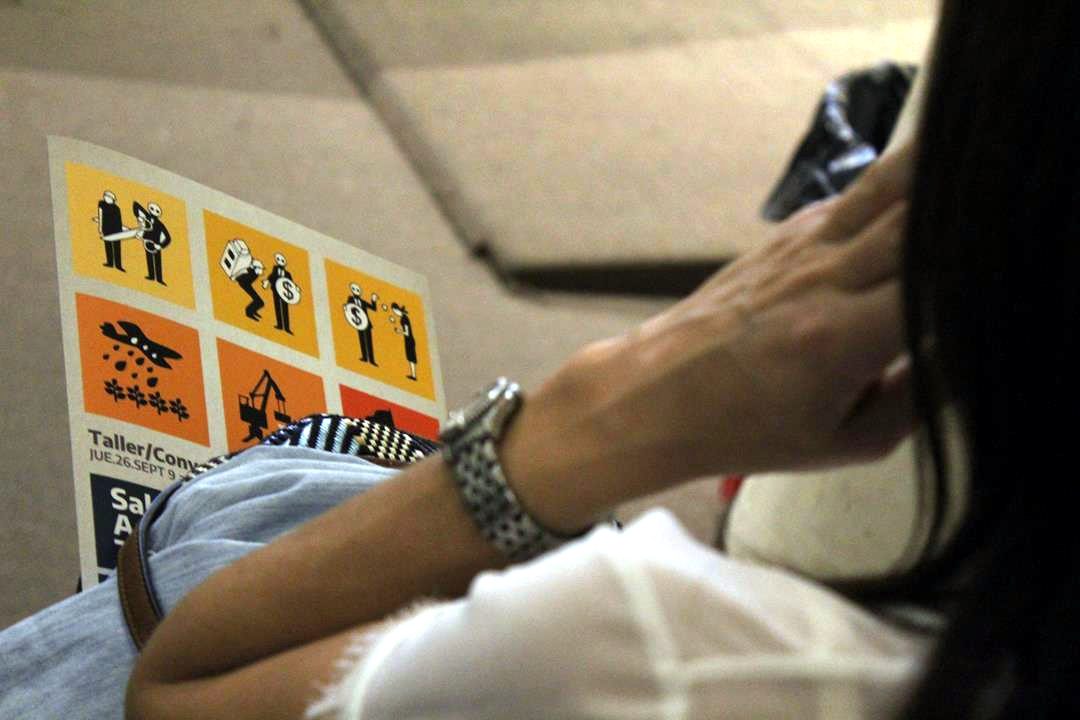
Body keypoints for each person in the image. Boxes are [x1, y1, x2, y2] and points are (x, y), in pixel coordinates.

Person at [134, 201, 171, 285]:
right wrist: (140, 235)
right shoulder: (145, 220)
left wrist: (161, 245)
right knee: (149, 259)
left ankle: (159, 279)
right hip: (147, 243)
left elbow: (168, 238)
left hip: (156, 245)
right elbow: (136, 205)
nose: (154, 211)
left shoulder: (160, 224)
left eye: (157, 211)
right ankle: (151, 276)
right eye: (152, 208)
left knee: (157, 261)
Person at [345, 282, 379, 365]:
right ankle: (364, 357)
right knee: (362, 340)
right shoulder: (350, 299)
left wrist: (373, 300)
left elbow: (373, 308)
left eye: (358, 290)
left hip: (367, 324)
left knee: (369, 342)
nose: (356, 291)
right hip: (359, 324)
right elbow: (348, 308)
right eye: (354, 289)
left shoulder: (363, 302)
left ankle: (371, 360)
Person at [96, 190, 127, 271]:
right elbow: (100, 216)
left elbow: (119, 221)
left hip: (116, 230)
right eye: (105, 196)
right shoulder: (102, 204)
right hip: (106, 229)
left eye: (109, 197)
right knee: (108, 245)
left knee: (117, 247)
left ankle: (118, 265)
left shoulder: (116, 208)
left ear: (113, 200)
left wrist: (120, 231)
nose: (106, 198)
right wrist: (100, 227)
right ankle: (110, 263)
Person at [391, 302, 417, 380]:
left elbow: (407, 332)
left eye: (394, 311)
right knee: (410, 358)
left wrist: (399, 331)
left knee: (411, 358)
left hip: (409, 340)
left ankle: (414, 375)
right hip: (409, 340)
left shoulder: (403, 319)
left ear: (397, 310)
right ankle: (413, 375)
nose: (395, 313)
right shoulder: (404, 318)